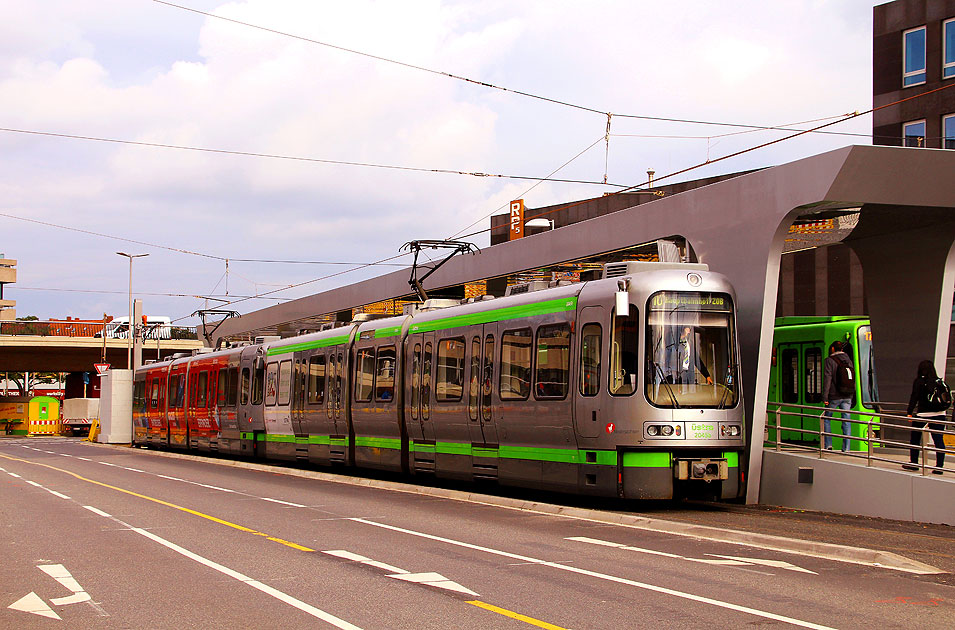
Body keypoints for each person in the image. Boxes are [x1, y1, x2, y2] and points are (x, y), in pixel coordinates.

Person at [903, 359, 948, 474]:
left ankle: (914, 463)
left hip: (923, 415)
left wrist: (909, 412)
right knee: (938, 440)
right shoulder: (939, 382)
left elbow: (914, 397)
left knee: (915, 439)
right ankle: (939, 467)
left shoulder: (919, 381)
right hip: (939, 415)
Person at [821, 341, 853, 452]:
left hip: (834, 396)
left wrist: (825, 397)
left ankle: (828, 445)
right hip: (847, 395)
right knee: (846, 420)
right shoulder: (848, 360)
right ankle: (846, 448)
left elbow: (827, 379)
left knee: (826, 419)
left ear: (833, 349)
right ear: (842, 349)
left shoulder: (829, 361)